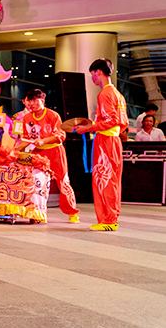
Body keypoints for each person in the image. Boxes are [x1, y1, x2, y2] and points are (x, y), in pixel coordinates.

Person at [74, 58, 128, 232]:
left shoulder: (105, 94)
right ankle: (111, 218)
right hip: (114, 141)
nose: (92, 78)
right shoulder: (118, 95)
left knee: (103, 179)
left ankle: (108, 220)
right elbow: (122, 123)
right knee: (112, 180)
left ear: (98, 72)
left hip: (105, 142)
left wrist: (89, 128)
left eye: (92, 74)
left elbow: (111, 121)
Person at [12, 89, 80, 223]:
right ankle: (37, 211)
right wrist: (15, 149)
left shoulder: (53, 115)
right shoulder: (26, 118)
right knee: (34, 181)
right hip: (38, 152)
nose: (31, 104)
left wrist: (44, 141)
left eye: (34, 100)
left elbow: (60, 136)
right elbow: (25, 140)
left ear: (42, 101)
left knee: (63, 182)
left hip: (55, 152)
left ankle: (72, 212)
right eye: (29, 100)